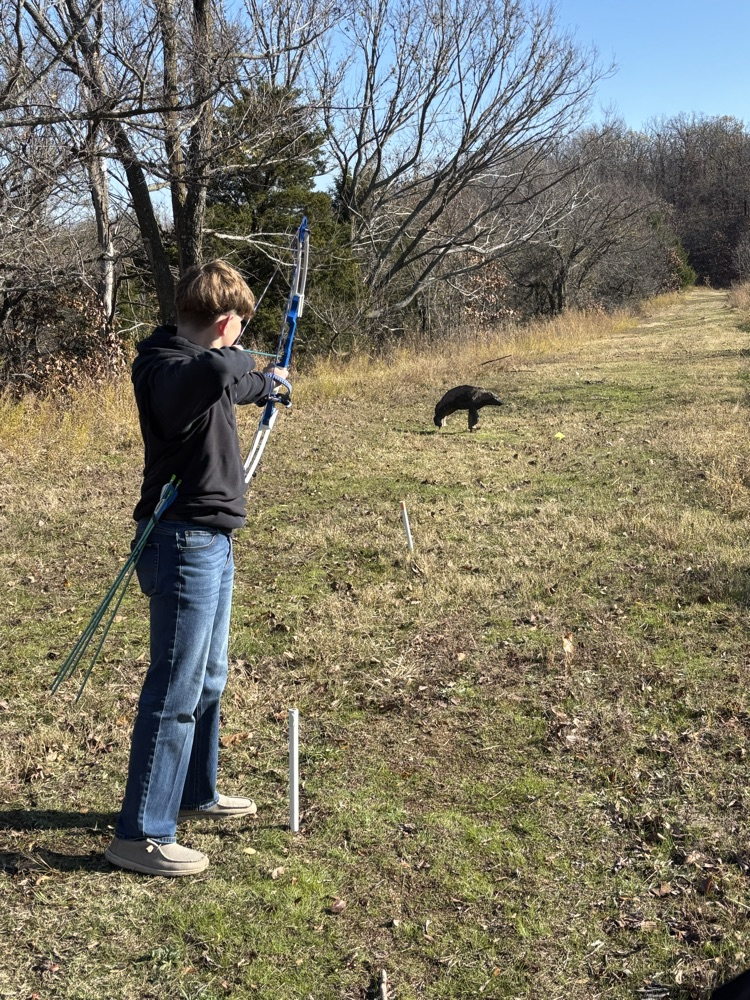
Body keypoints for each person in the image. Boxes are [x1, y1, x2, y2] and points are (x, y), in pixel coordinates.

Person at [105, 260, 288, 877]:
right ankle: (141, 836)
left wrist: (270, 384)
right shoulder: (165, 368)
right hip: (182, 542)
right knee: (175, 688)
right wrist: (251, 361)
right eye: (237, 329)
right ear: (225, 322)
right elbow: (219, 370)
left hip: (211, 539)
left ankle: (193, 792)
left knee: (208, 677)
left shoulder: (198, 370)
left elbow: (232, 384)